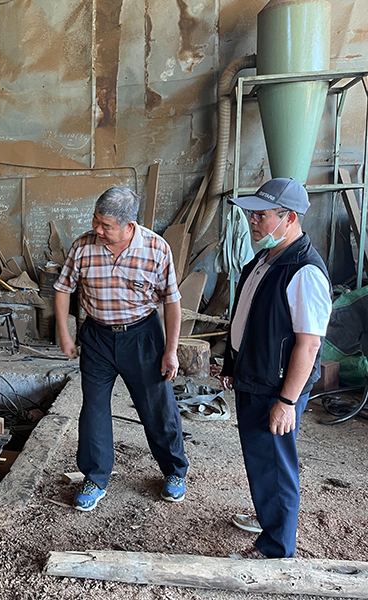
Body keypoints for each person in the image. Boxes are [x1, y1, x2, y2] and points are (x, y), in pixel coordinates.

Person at [54, 186, 188, 511]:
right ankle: (96, 477)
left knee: (157, 405)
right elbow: (63, 289)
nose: (97, 230)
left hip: (143, 336)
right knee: (95, 409)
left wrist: (171, 350)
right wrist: (65, 334)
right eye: (95, 221)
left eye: (106, 226)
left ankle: (174, 471)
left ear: (129, 226)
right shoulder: (83, 247)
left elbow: (172, 302)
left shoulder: (157, 249)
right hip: (97, 337)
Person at [220, 177, 331, 559]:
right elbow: (250, 318)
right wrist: (232, 363)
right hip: (255, 378)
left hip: (275, 389)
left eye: (261, 215)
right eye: (251, 214)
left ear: (290, 218)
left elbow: (309, 343)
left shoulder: (304, 271)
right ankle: (270, 518)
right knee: (262, 461)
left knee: (275, 468)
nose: (252, 222)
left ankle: (276, 549)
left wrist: (287, 400)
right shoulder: (266, 258)